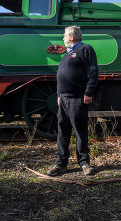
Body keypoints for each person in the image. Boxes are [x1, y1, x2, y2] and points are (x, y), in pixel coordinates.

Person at [46, 26, 98, 176]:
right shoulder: (68, 53)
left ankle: (84, 162)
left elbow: (93, 72)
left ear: (72, 37)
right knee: (63, 131)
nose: (63, 38)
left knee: (80, 131)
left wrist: (88, 92)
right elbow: (61, 76)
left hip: (77, 97)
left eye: (64, 35)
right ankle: (60, 163)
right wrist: (58, 95)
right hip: (63, 98)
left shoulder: (85, 49)